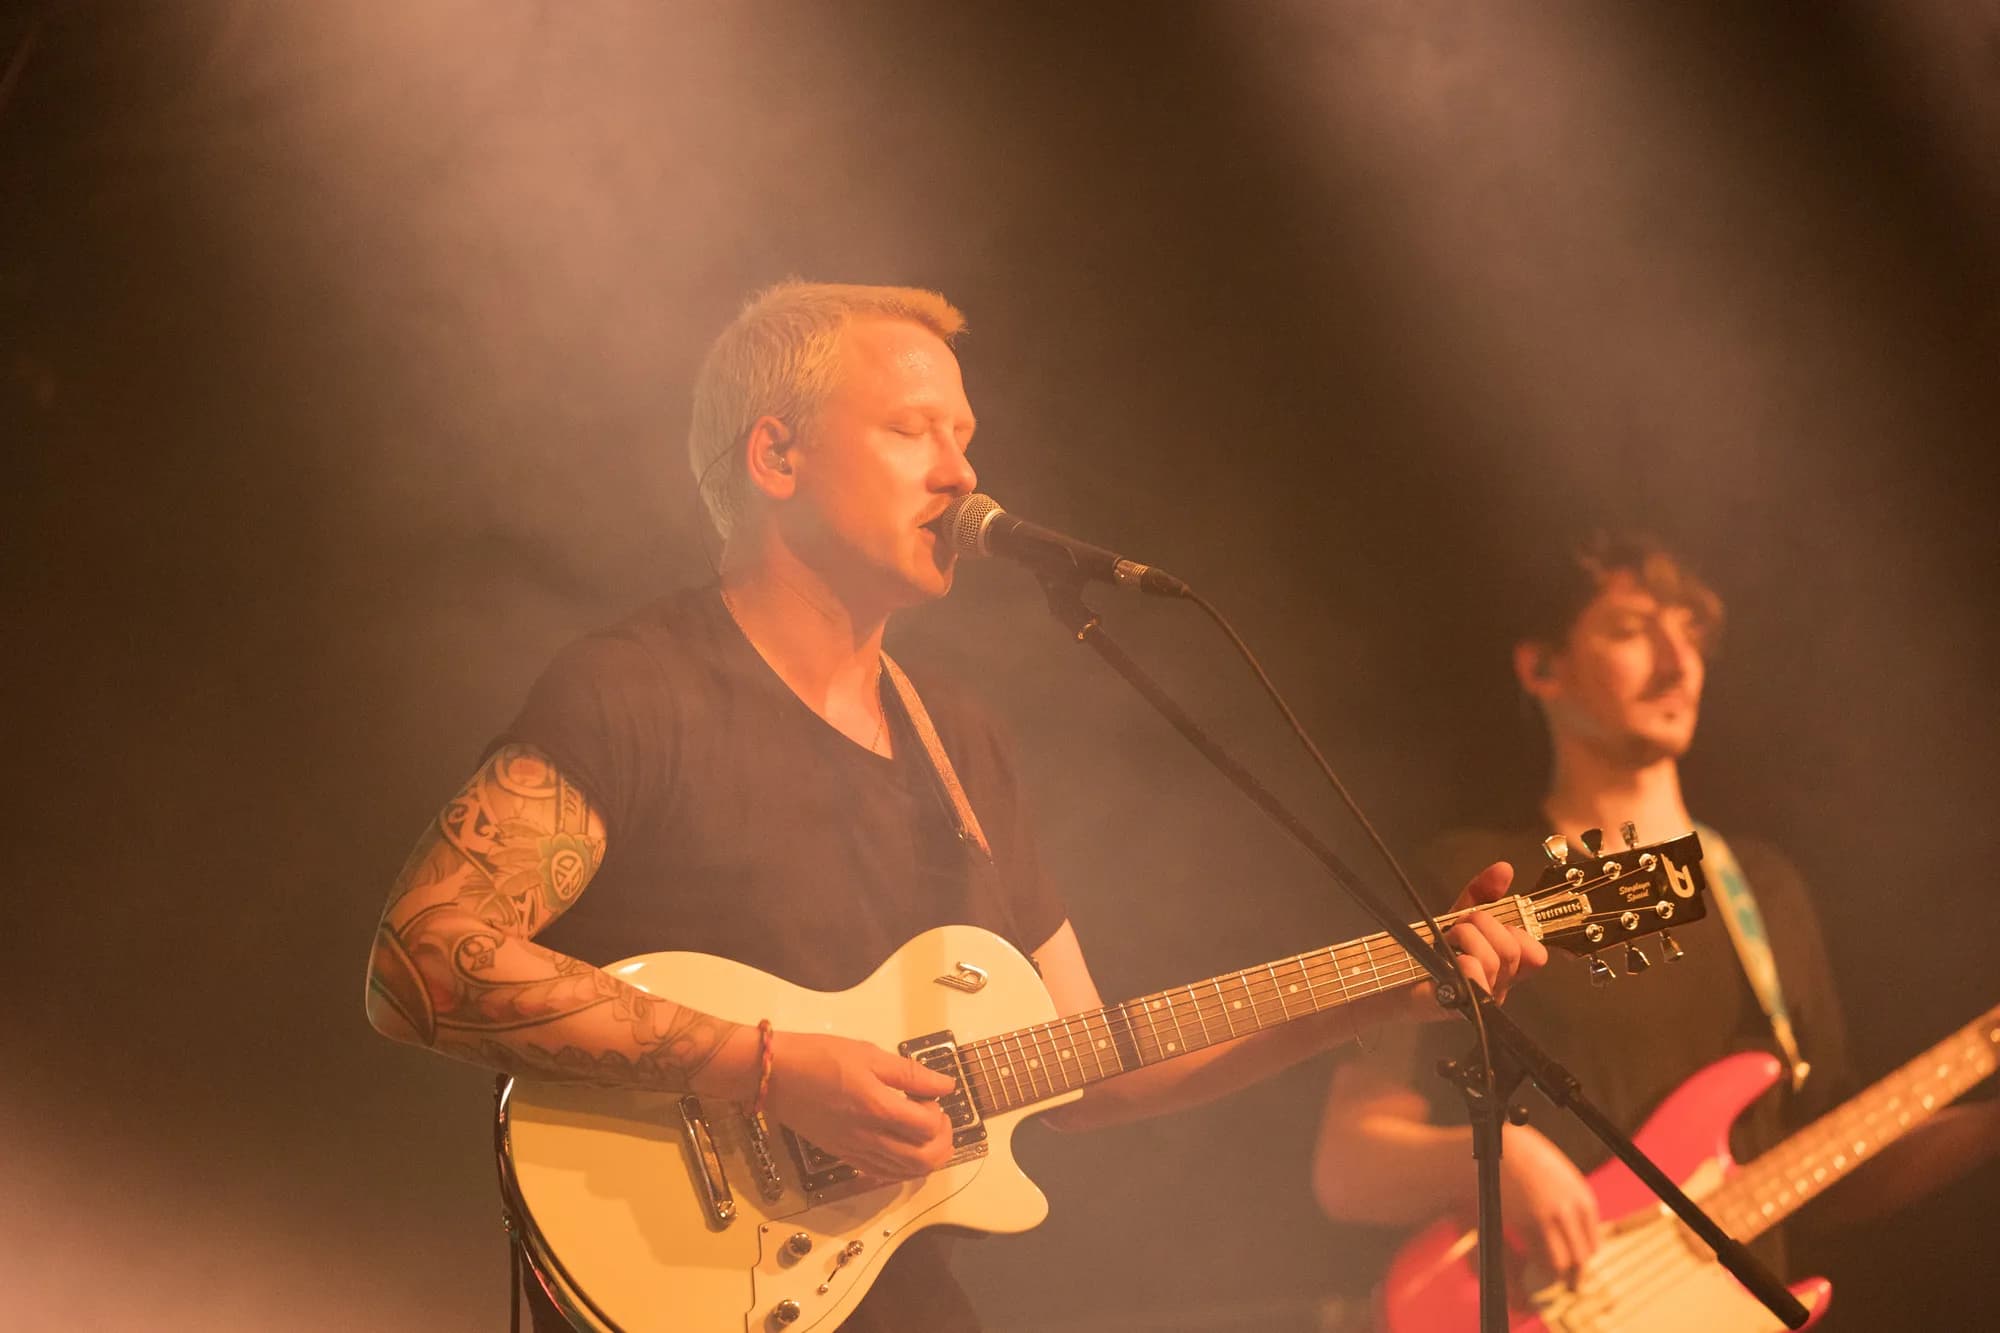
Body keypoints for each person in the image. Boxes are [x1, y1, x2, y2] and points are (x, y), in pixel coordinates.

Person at [361, 281, 1547, 1332]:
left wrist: (1366, 994)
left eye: (965, 436)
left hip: (883, 1291)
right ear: (775, 455)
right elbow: (422, 957)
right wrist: (768, 1065)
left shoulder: (958, 740)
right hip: (672, 1278)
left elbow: (1091, 1066)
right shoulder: (634, 688)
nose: (961, 473)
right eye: (909, 428)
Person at [1310, 532, 2000, 1313]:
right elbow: (1348, 1163)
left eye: (1692, 634)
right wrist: (1495, 1156)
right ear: (1542, 667)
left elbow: (1824, 1168)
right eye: (1632, 629)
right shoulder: (1471, 882)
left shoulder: (1762, 890)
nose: (1678, 663)